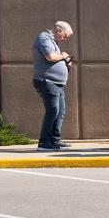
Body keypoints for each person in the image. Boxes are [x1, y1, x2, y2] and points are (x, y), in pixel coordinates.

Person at [32, 20, 74, 151]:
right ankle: (44, 143)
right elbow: (50, 57)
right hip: (47, 81)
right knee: (53, 111)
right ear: (59, 31)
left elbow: (56, 58)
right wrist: (63, 56)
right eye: (65, 35)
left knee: (60, 111)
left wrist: (66, 62)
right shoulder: (44, 38)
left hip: (56, 83)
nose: (65, 38)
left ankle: (55, 140)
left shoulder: (53, 41)